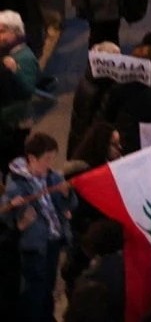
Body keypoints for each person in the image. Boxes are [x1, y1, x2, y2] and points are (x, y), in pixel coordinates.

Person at [4, 131, 72, 322]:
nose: (50, 164)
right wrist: (14, 210)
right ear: (32, 159)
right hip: (34, 246)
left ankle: (47, 316)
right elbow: (8, 215)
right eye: (47, 159)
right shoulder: (17, 184)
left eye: (53, 158)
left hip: (53, 241)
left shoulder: (53, 178)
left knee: (48, 287)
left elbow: (66, 205)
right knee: (35, 290)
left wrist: (67, 196)